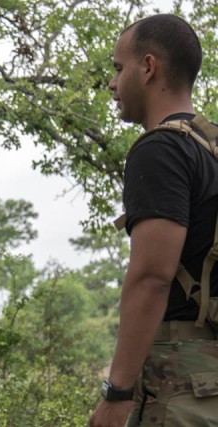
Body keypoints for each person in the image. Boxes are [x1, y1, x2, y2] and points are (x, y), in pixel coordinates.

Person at [89, 14, 218, 427]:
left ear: (148, 67)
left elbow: (151, 277)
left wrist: (118, 393)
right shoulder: (210, 150)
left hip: (181, 378)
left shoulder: (161, 149)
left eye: (118, 68)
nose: (112, 83)